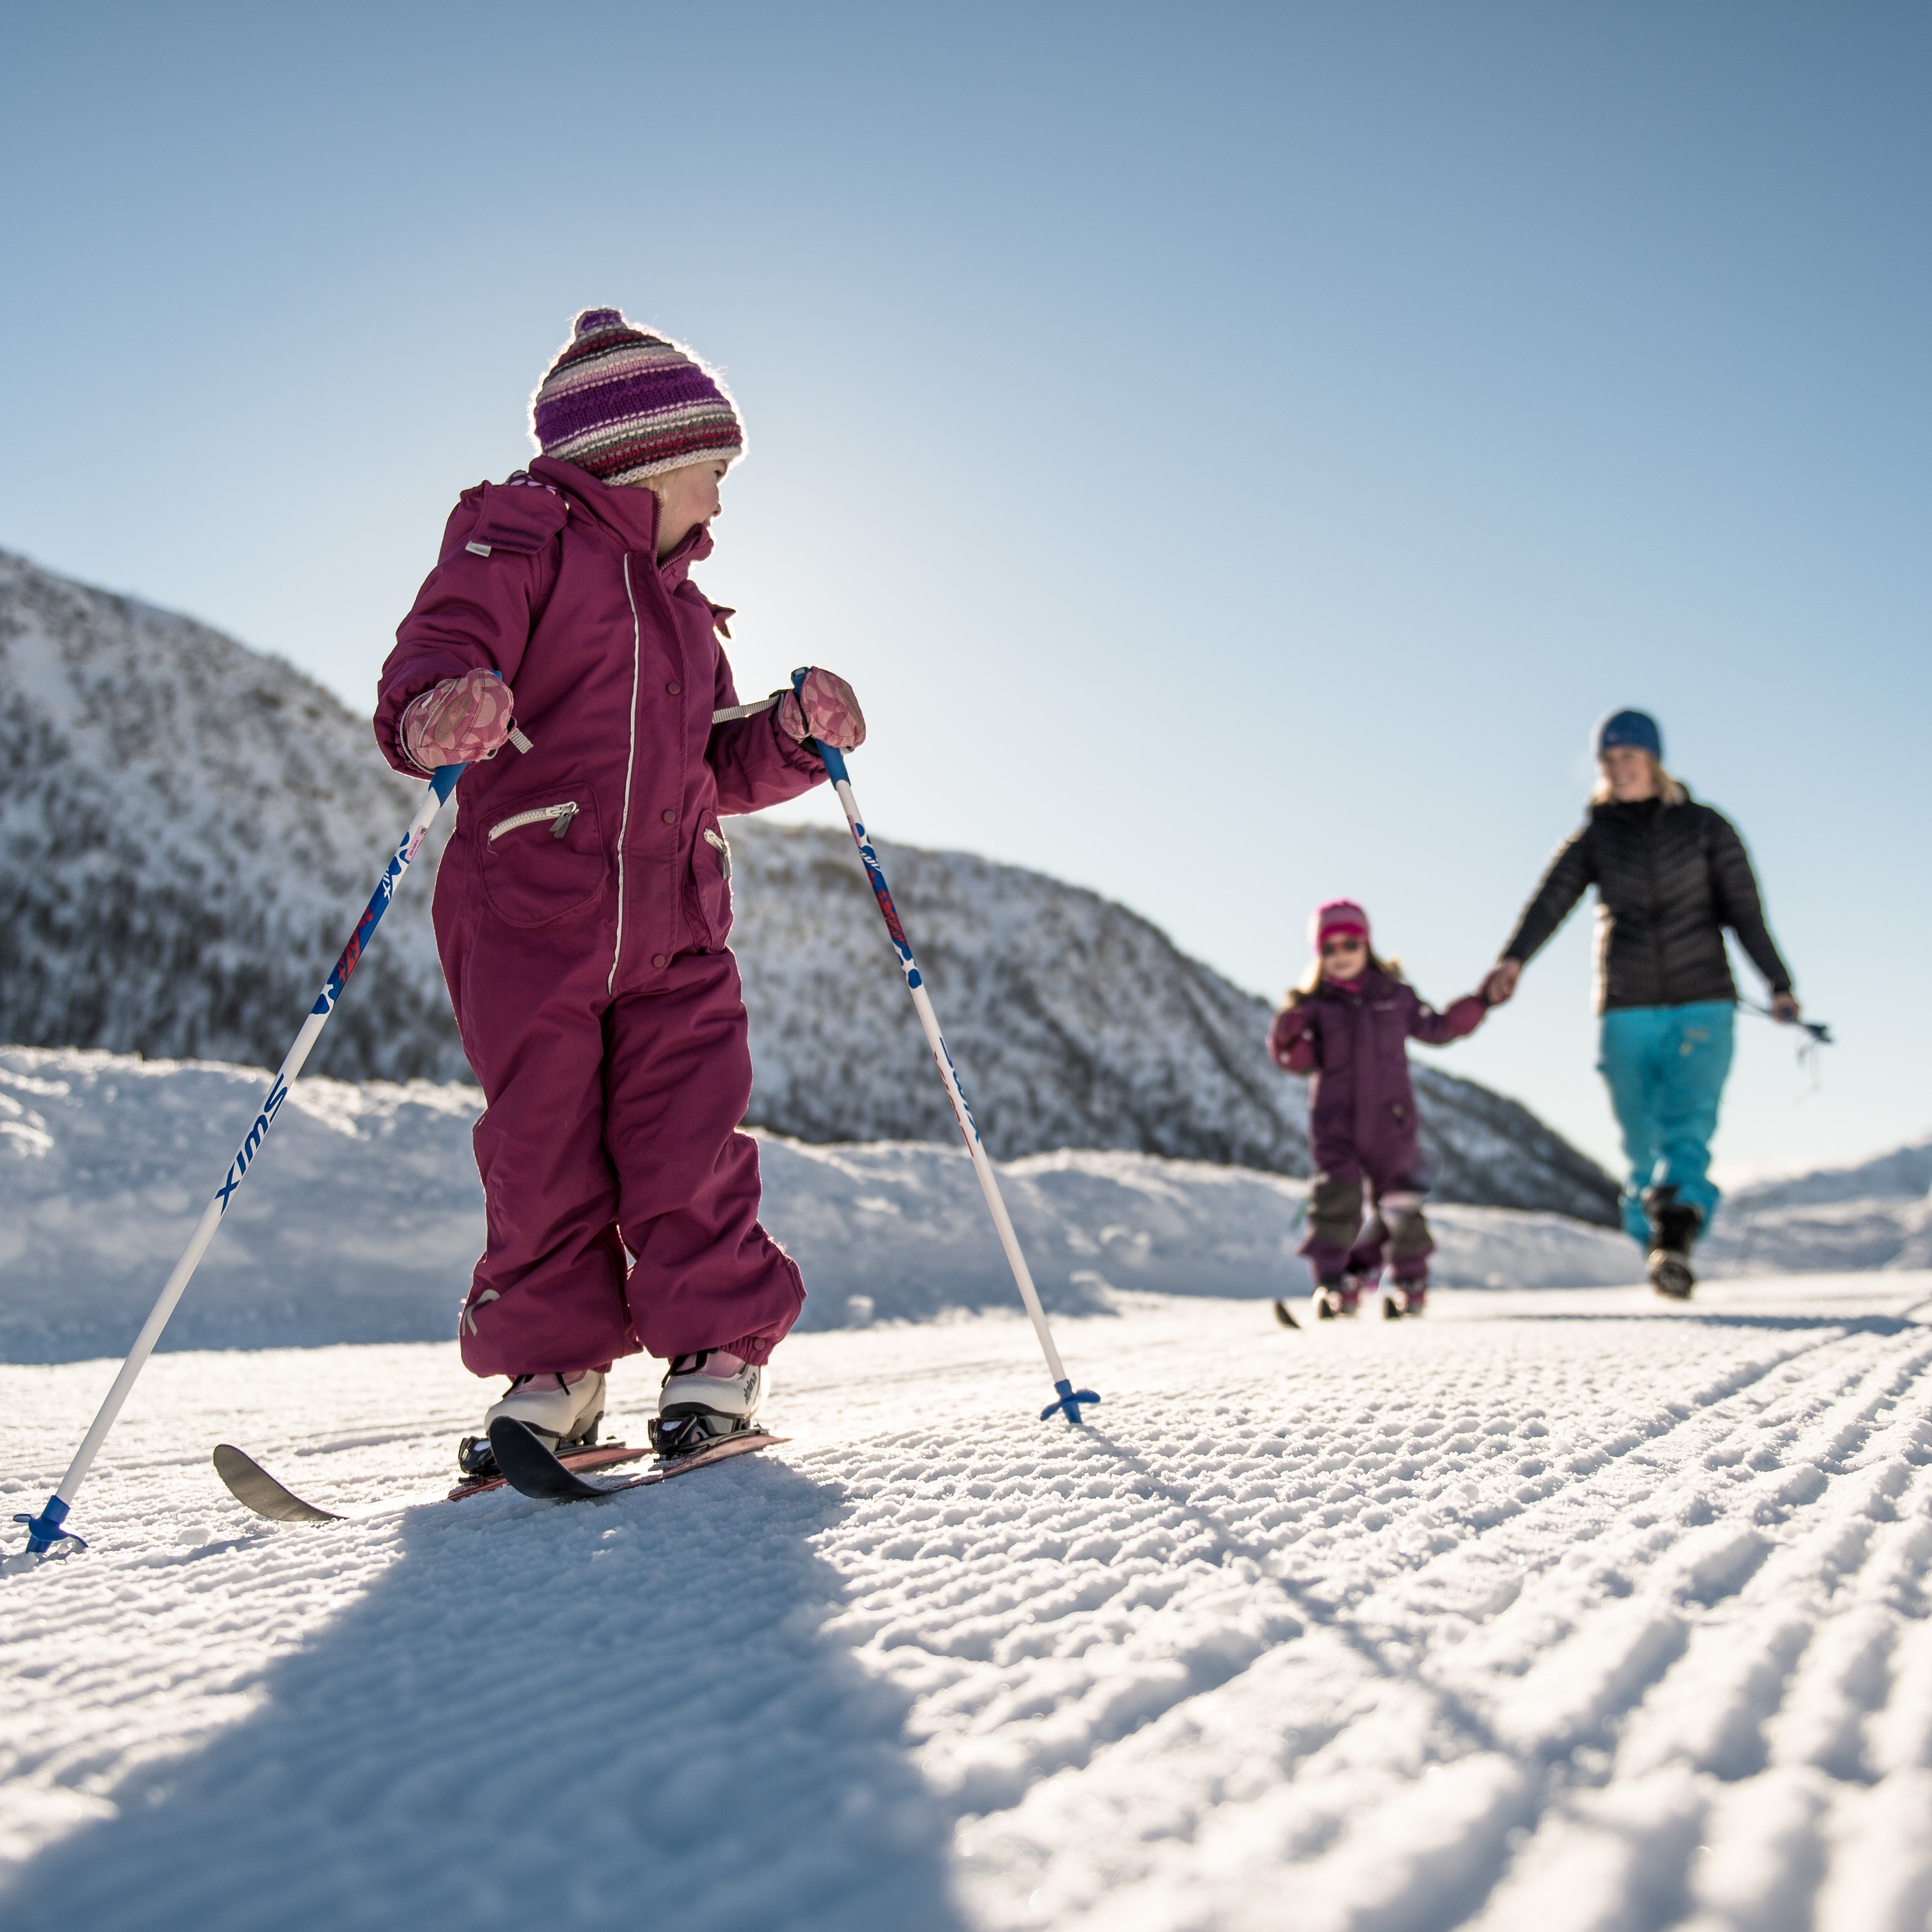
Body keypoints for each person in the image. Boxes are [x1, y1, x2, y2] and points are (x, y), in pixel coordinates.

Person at [373, 307, 866, 1471]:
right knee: (541, 1143)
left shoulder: (687, 613)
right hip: (530, 913)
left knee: (685, 1137)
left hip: (675, 927)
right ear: (641, 461)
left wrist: (790, 736)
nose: (719, 504)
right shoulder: (520, 536)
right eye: (712, 472)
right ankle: (555, 1369)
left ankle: (716, 1358)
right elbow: (440, 644)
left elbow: (706, 763)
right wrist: (441, 704)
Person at [1483, 708, 1799, 1299]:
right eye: (1608, 759)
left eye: (1628, 756)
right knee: (1638, 1139)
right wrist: (1513, 959)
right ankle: (1653, 1232)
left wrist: (1777, 983)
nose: (1618, 767)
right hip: (1625, 1002)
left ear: (1654, 760)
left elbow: (1745, 911)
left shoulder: (1706, 828)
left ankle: (1675, 1233)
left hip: (1702, 998)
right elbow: (1550, 900)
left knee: (1686, 1123)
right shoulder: (1595, 835)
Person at [1268, 900, 1491, 1319]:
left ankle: (1411, 1280)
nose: (1340, 955)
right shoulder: (1314, 1007)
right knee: (1336, 1198)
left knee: (1399, 1202)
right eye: (1329, 948)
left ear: (1366, 945)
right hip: (1335, 1123)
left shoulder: (1396, 997)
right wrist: (1287, 1038)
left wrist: (1480, 1002)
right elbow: (1299, 1063)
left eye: (1349, 944)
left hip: (1391, 1121)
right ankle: (1333, 1283)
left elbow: (1439, 1028)